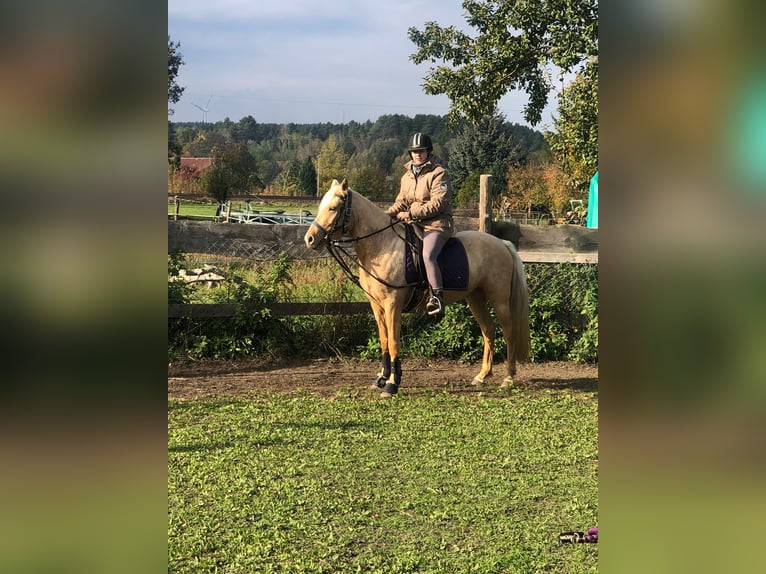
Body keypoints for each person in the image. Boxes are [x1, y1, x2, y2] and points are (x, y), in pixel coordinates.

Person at [386, 133, 454, 317]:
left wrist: (411, 213)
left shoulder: (439, 173)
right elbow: (401, 201)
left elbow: (438, 204)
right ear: (411, 154)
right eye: (415, 152)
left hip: (437, 224)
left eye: (421, 151)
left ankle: (437, 297)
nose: (418, 154)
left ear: (428, 151)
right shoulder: (406, 177)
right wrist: (388, 213)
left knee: (428, 254)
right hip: (414, 224)